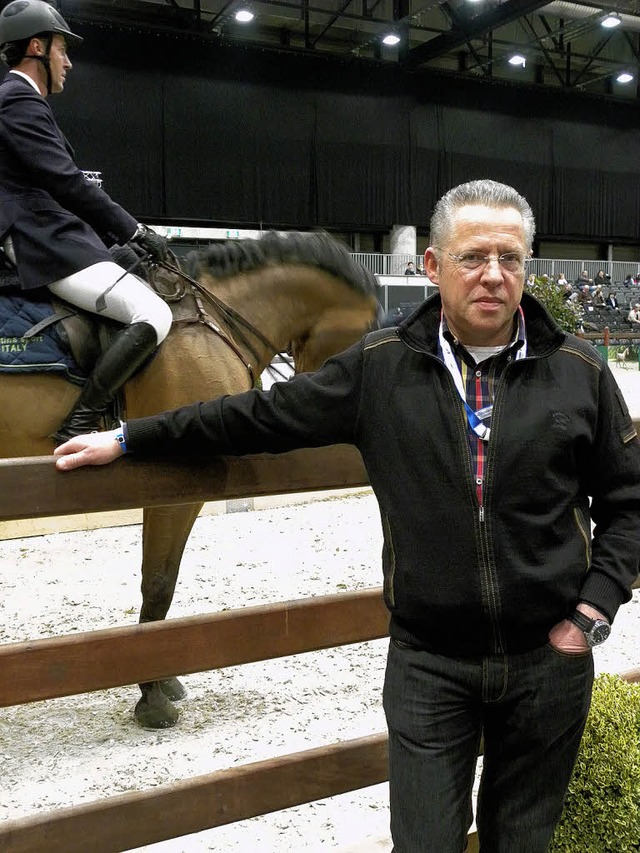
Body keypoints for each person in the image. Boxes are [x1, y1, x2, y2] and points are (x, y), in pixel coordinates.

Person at [54, 179, 640, 853]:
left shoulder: (580, 370)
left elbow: (627, 504)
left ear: (527, 267)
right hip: (431, 665)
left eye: (510, 258)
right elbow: (255, 416)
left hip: (549, 660)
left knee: (521, 841)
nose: (493, 275)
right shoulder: (379, 368)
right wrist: (131, 437)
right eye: (474, 256)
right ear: (432, 265)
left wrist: (591, 613)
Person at [0, 0, 173, 443]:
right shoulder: (18, 99)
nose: (69, 63)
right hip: (40, 241)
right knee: (153, 312)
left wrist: (117, 241)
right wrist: (133, 230)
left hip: (53, 233)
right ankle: (79, 424)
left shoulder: (24, 102)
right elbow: (67, 184)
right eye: (63, 50)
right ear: (36, 47)